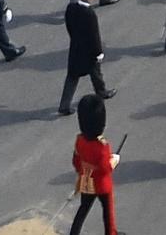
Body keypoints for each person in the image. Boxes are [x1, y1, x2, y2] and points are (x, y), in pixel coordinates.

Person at [69, 94, 121, 235]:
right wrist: (114, 160)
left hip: (86, 180)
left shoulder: (79, 140)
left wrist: (83, 171)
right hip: (102, 184)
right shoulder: (102, 146)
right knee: (108, 211)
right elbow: (105, 168)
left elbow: (76, 161)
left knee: (83, 208)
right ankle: (110, 233)